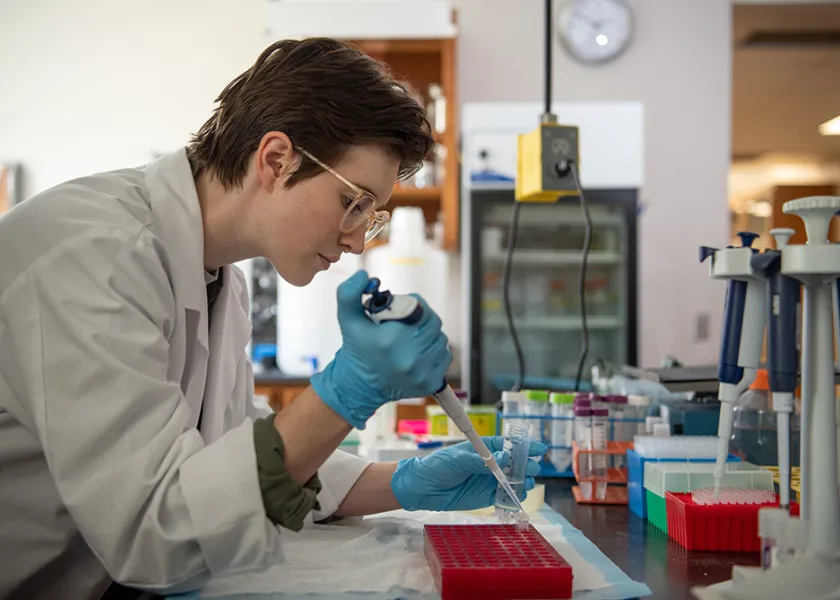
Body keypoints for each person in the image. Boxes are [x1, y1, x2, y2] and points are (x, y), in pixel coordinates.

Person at [0, 38, 545, 600]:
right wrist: (346, 391)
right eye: (354, 202)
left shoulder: (217, 276)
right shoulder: (94, 254)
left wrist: (400, 484)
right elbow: (154, 536)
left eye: (372, 216)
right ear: (276, 160)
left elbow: (232, 446)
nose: (359, 240)